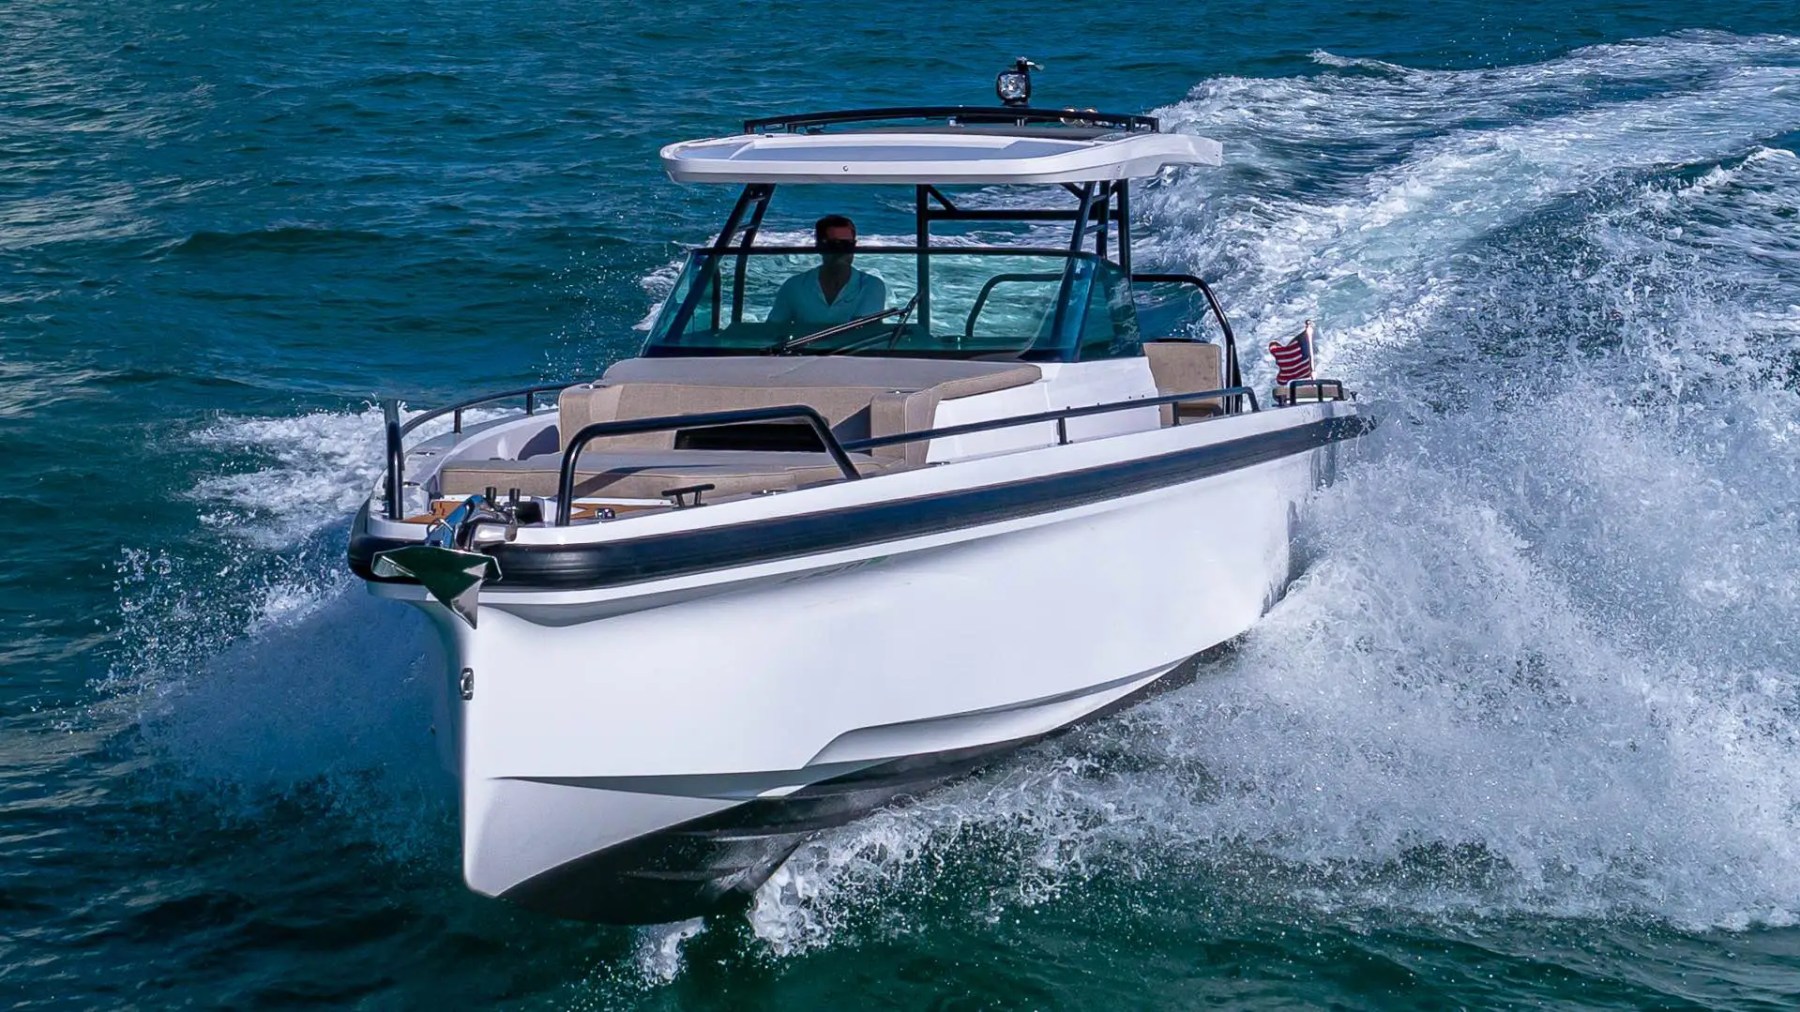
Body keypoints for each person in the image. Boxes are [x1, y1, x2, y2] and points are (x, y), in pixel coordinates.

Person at [766, 215, 887, 327]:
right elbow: (772, 330)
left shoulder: (871, 286)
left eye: (847, 244)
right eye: (834, 244)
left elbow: (866, 332)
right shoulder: (794, 286)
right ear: (819, 246)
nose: (841, 251)